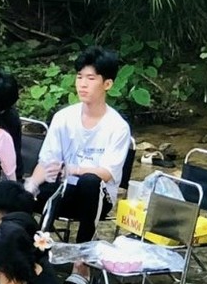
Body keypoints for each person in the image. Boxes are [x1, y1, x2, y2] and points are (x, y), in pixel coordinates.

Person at [29, 46, 133, 243]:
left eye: (91, 79)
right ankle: (32, 250)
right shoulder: (63, 117)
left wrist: (73, 169)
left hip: (97, 196)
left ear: (107, 84)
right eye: (79, 77)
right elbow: (47, 162)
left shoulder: (117, 126)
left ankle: (82, 258)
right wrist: (30, 187)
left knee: (90, 182)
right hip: (64, 190)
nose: (82, 84)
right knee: (22, 192)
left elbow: (107, 172)